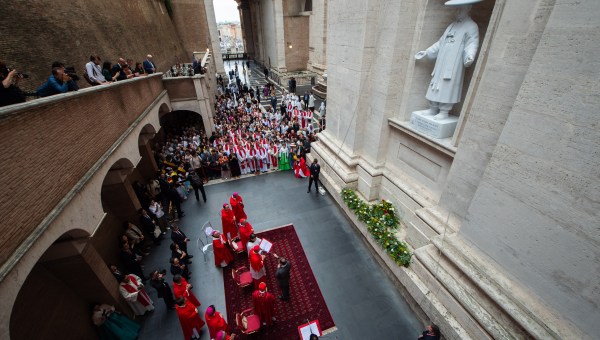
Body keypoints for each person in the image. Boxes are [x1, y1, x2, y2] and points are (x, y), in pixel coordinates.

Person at [414, 3, 480, 120]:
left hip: (454, 65)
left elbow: (472, 43)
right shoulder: (451, 25)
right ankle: (433, 108)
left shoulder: (471, 26)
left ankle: (444, 111)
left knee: (448, 85)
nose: (458, 11)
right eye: (457, 9)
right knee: (436, 82)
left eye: (461, 8)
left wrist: (470, 56)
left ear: (468, 8)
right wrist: (427, 52)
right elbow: (440, 43)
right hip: (441, 62)